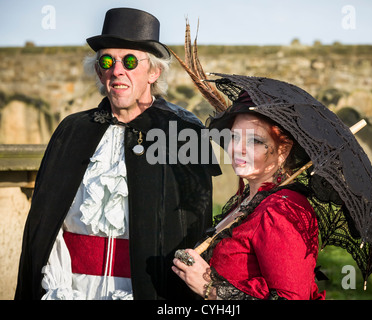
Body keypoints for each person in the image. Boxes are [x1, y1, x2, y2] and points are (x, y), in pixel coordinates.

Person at [15, 7, 220, 300]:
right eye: (107, 60)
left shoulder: (184, 133)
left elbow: (195, 228)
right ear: (99, 71)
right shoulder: (72, 131)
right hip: (72, 288)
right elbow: (45, 227)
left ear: (154, 72)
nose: (117, 70)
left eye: (131, 60)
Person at [172, 91, 326, 300]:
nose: (237, 148)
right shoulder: (250, 200)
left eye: (254, 140)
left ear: (284, 149)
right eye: (234, 137)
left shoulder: (280, 212)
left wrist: (209, 288)